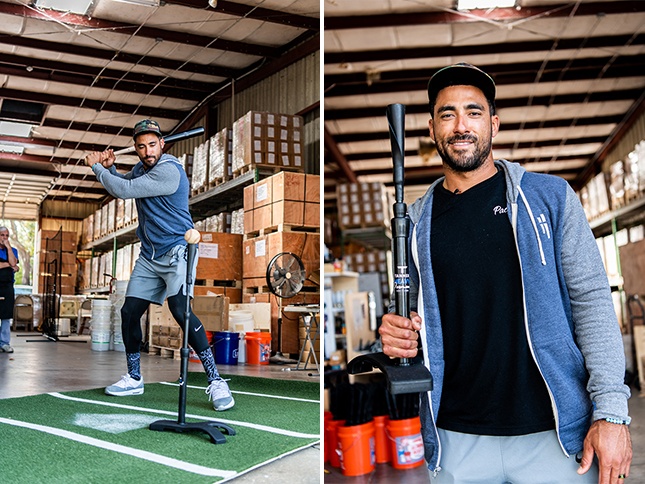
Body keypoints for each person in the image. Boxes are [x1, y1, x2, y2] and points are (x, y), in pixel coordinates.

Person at [378, 63, 632, 483]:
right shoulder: (416, 221)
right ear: (431, 129)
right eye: (447, 114)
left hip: (555, 435)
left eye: (474, 112)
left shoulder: (549, 198)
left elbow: (592, 301)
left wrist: (610, 412)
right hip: (456, 437)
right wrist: (392, 332)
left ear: (493, 123)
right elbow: (406, 311)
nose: (461, 125)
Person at [84, 119, 234, 411]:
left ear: (162, 144)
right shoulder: (141, 169)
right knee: (129, 312)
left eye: (152, 144)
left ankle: (216, 380)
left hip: (178, 249)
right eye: (141, 146)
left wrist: (97, 168)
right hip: (150, 256)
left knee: (180, 310)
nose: (147, 151)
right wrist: (113, 168)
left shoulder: (170, 170)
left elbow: (124, 191)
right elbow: (126, 182)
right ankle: (134, 376)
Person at [0, 226, 19, 353]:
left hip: (7, 287)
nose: (5, 238)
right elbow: (12, 264)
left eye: (7, 235)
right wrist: (10, 265)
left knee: (6, 316)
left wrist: (8, 248)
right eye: (2, 235)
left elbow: (14, 261)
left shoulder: (13, 250)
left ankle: (4, 343)